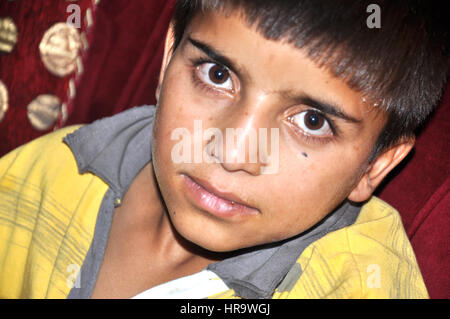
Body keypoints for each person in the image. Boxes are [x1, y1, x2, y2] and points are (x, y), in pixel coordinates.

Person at [0, 0, 448, 299]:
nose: (232, 153)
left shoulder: (357, 286)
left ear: (376, 165)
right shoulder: (46, 170)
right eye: (217, 75)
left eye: (312, 121)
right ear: (169, 55)